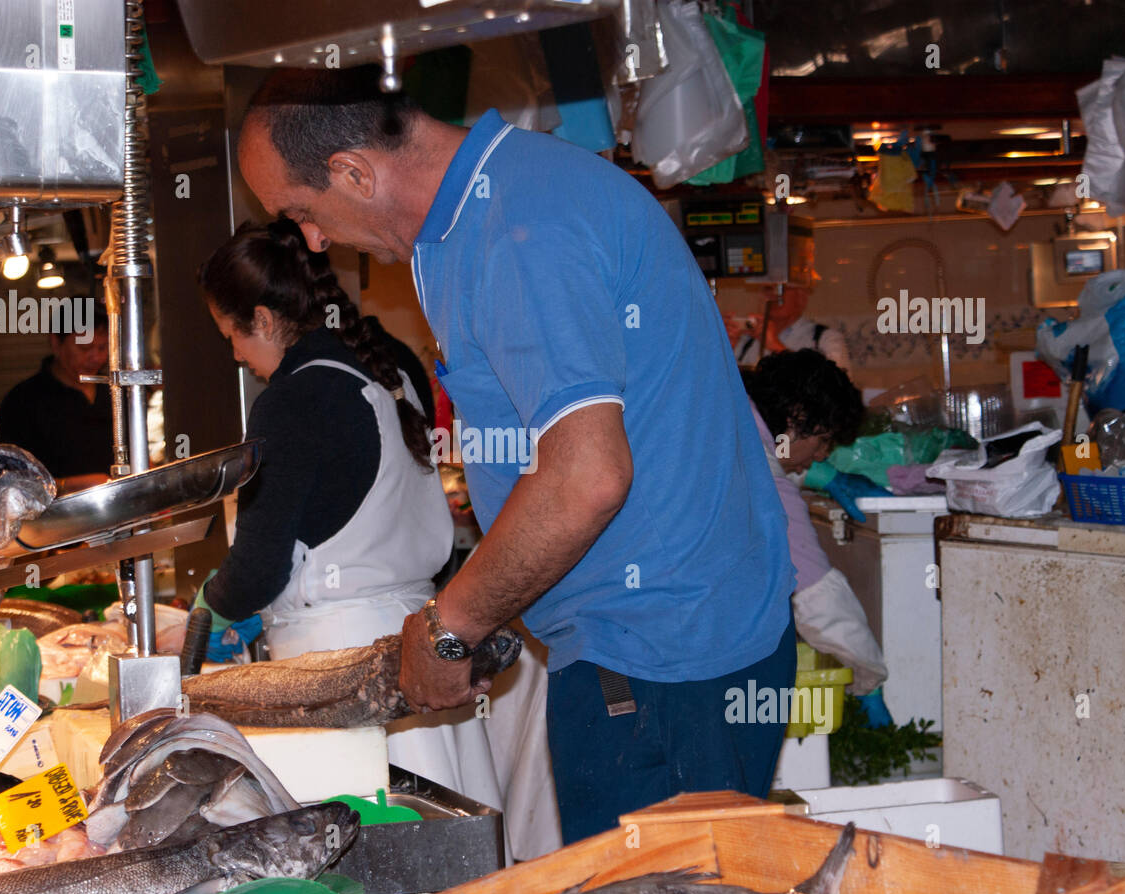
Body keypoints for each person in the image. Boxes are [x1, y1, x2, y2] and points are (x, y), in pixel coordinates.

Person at [237, 68, 796, 844]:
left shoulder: (516, 234)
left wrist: (448, 627)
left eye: (303, 213)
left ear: (355, 172)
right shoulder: (489, 208)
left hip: (662, 662)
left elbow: (587, 478)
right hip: (651, 647)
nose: (315, 240)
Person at [193, 219, 503, 810]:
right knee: (457, 860)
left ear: (262, 319)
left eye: (230, 334)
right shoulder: (391, 363)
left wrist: (214, 602)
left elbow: (259, 569)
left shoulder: (289, 401)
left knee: (371, 867)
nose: (234, 354)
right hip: (423, 642)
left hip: (343, 675)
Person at [742, 350, 888, 696]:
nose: (822, 454)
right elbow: (817, 597)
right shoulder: (764, 477)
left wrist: (821, 475)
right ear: (796, 417)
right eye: (823, 441)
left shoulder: (736, 412)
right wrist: (866, 676)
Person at [0, 307, 111, 492]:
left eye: (103, 347)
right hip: (54, 517)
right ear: (56, 342)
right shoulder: (22, 401)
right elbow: (10, 479)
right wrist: (67, 486)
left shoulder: (115, 393)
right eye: (85, 348)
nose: (96, 357)